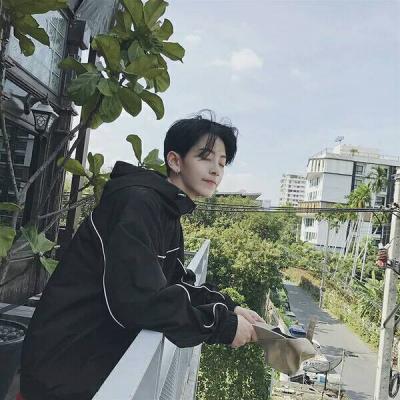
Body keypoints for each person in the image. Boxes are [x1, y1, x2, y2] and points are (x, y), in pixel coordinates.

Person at [20, 112, 263, 400]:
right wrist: (221, 326)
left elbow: (175, 281)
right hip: (65, 368)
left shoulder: (165, 211)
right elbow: (140, 301)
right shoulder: (137, 203)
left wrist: (230, 308)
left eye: (221, 163)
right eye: (205, 157)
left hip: (89, 360)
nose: (215, 170)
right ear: (175, 161)